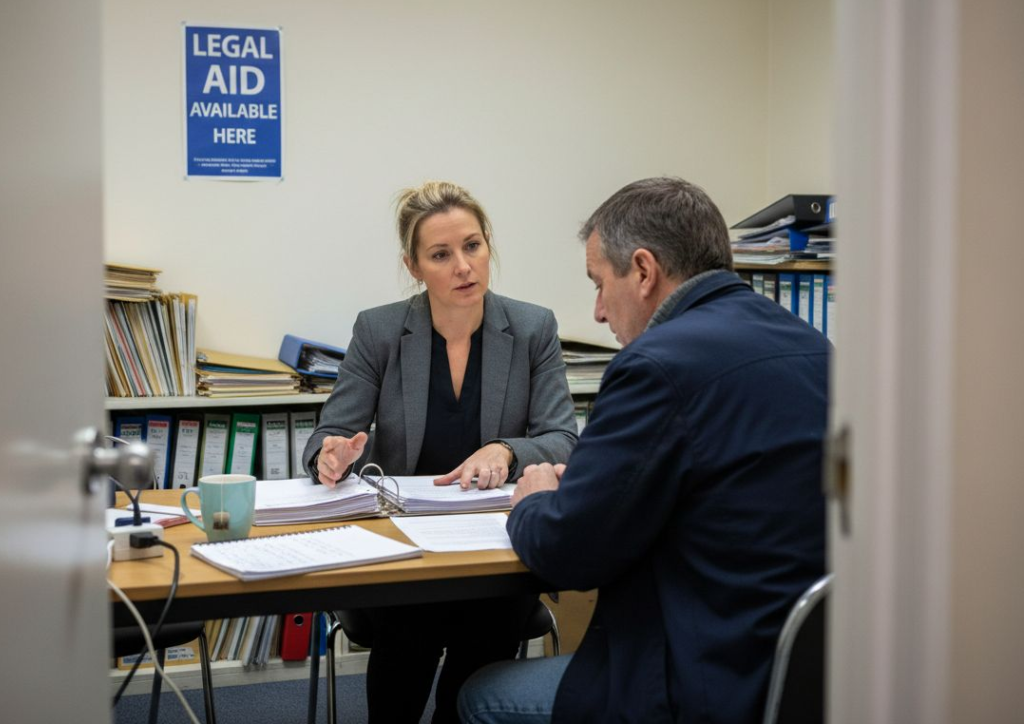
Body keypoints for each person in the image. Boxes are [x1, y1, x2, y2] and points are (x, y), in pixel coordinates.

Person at [457, 177, 829, 723]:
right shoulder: (815, 347)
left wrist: (533, 499)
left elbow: (567, 554)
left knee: (482, 695)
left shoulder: (656, 366)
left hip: (701, 681)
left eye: (599, 284)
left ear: (645, 271)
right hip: (813, 677)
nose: (601, 312)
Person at [303, 180, 578, 724]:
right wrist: (329, 456)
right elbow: (327, 434)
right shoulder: (379, 330)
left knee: (475, 679)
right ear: (413, 265)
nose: (463, 266)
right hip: (406, 555)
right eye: (441, 254)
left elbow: (563, 437)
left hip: (492, 552)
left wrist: (505, 450)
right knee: (404, 655)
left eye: (473, 246)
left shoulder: (531, 328)